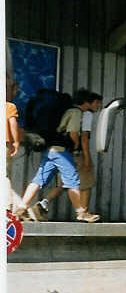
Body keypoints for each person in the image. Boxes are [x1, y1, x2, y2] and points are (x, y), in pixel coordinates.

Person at [15, 89, 100, 223]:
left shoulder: (63, 110)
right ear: (86, 102)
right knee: (73, 181)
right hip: (60, 151)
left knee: (38, 180)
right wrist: (75, 145)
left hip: (50, 149)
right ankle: (81, 213)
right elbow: (73, 133)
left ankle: (20, 209)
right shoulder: (76, 112)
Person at [6, 78, 23, 212]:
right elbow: (13, 124)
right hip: (5, 143)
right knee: (4, 175)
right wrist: (16, 142)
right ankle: (7, 206)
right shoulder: (9, 106)